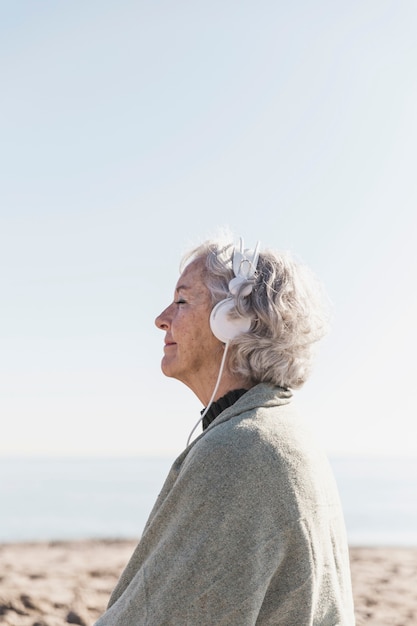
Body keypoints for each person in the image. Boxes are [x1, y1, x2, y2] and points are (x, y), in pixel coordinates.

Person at [95, 234, 355, 625]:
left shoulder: (241, 449)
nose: (161, 317)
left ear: (234, 321)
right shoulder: (279, 429)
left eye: (182, 301)